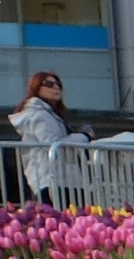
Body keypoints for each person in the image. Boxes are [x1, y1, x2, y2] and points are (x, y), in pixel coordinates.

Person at [8, 70, 87, 205]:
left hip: (59, 178)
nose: (56, 87)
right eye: (49, 84)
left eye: (58, 84)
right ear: (37, 88)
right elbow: (52, 143)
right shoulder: (39, 115)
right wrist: (83, 137)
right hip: (52, 179)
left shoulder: (49, 115)